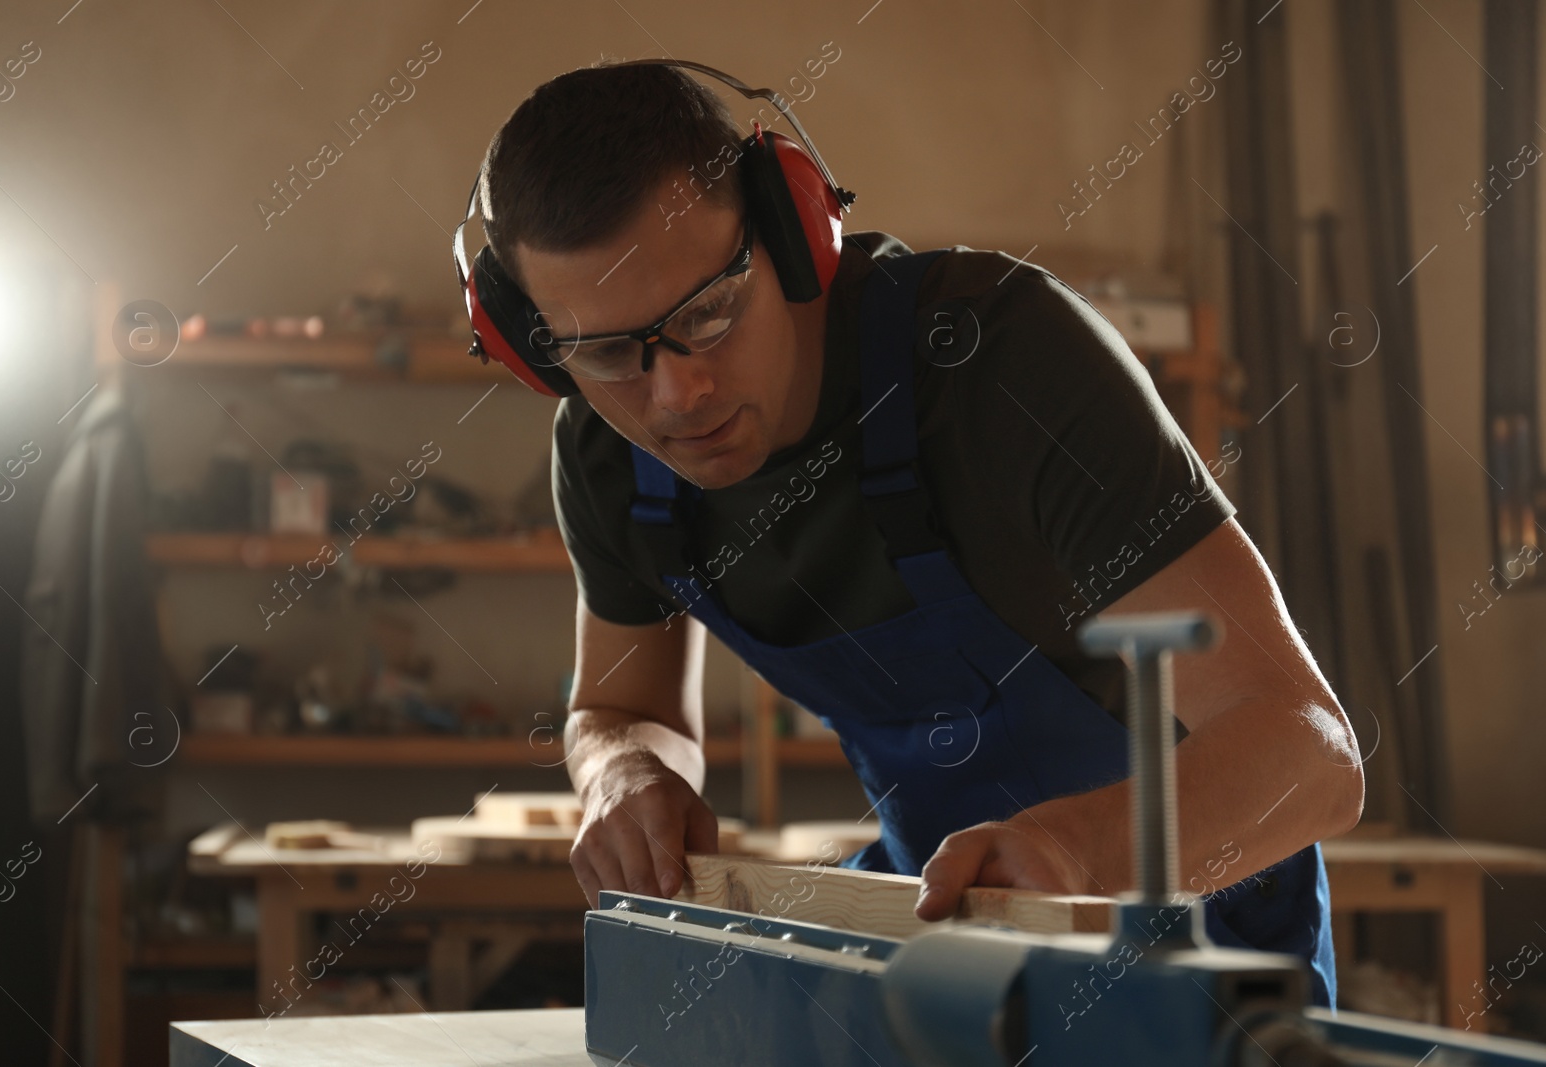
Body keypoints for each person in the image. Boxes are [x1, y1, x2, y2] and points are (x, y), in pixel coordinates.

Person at [462, 60, 1362, 1007]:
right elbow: (620, 709)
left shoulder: (1002, 365)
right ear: (536, 346)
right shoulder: (611, 462)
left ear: (793, 229)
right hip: (945, 929)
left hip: (1199, 931)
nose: (676, 394)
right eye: (607, 353)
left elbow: (1309, 753)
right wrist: (622, 774)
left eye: (708, 313)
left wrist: (1075, 851)